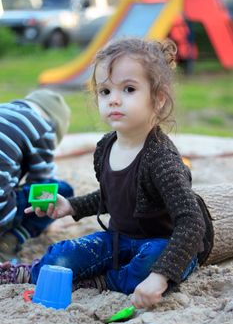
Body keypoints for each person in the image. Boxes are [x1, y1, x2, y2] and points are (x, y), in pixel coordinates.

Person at [0, 38, 213, 309]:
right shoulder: (106, 147)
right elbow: (111, 195)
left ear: (158, 99)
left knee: (147, 265)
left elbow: (192, 223)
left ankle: (102, 282)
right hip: (118, 240)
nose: (114, 100)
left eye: (128, 89)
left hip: (160, 244)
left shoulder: (161, 160)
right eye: (105, 91)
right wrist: (71, 206)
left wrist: (160, 277)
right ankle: (30, 272)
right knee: (61, 255)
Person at [0, 89, 74, 262]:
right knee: (62, 190)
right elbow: (43, 184)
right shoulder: (43, 128)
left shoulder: (5, 110)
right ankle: (10, 240)